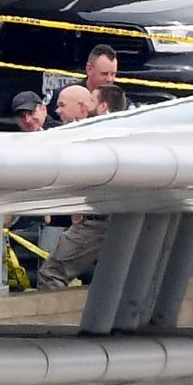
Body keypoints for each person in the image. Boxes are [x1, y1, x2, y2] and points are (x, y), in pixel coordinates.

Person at [36, 85, 126, 291]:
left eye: (91, 101)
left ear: (102, 107)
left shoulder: (97, 135)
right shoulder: (117, 133)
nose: (57, 111)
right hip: (116, 217)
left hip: (100, 220)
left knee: (51, 273)